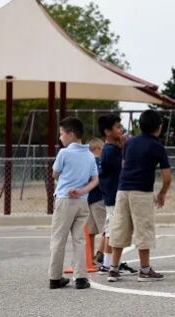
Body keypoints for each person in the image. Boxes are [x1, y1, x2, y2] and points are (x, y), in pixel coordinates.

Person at [107, 110, 172, 283]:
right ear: (159, 128)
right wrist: (162, 193)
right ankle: (144, 270)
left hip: (122, 190)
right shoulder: (156, 145)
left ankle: (113, 269)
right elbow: (167, 176)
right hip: (141, 192)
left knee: (120, 227)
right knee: (143, 229)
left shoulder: (129, 142)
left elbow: (123, 164)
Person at [48, 117, 99, 290]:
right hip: (82, 201)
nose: (60, 137)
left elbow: (54, 174)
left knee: (59, 239)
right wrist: (82, 190)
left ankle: (55, 278)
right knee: (79, 239)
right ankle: (81, 278)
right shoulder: (90, 155)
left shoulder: (64, 153)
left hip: (64, 200)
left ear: (70, 134)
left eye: (61, 133)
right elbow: (95, 180)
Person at [96, 114, 137, 275]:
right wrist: (124, 148)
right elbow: (123, 169)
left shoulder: (111, 149)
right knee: (113, 231)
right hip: (113, 196)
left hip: (111, 196)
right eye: (118, 127)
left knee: (110, 230)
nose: (121, 130)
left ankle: (109, 262)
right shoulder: (111, 151)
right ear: (107, 131)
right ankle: (108, 264)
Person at [86, 138, 106, 265]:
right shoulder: (97, 161)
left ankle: (89, 257)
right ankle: (101, 253)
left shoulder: (86, 162)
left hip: (87, 199)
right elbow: (100, 177)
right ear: (98, 149)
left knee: (90, 231)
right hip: (98, 198)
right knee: (107, 228)